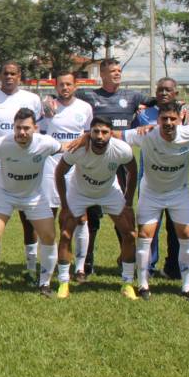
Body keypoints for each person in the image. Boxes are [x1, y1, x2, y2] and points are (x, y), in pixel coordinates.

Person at [121, 102, 189, 299]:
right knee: (145, 234)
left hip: (178, 193)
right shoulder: (146, 134)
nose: (168, 122)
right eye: (164, 119)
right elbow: (114, 134)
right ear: (157, 121)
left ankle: (187, 287)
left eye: (172, 119)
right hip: (151, 193)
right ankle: (143, 285)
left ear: (180, 119)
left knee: (187, 233)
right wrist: (86, 137)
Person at [75, 58, 145, 276]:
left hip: (122, 161)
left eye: (118, 70)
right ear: (102, 75)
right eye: (112, 71)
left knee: (123, 211)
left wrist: (183, 107)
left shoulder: (132, 97)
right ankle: (87, 262)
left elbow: (158, 102)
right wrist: (49, 100)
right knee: (92, 214)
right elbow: (64, 97)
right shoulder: (88, 96)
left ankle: (126, 260)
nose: (117, 74)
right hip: (97, 160)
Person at [0, 108, 61, 297]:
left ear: (36, 128)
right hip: (4, 194)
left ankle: (45, 283)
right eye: (18, 128)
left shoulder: (46, 143)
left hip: (34, 196)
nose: (22, 133)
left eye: (26, 128)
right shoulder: (2, 144)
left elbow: (66, 148)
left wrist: (86, 139)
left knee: (49, 236)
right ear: (13, 128)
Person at [55, 117, 137, 299]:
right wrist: (65, 204)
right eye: (96, 132)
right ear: (89, 133)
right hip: (79, 192)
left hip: (109, 192)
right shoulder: (78, 148)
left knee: (130, 234)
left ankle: (128, 283)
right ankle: (63, 283)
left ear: (111, 134)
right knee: (66, 234)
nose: (100, 136)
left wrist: (129, 202)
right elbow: (59, 172)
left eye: (105, 132)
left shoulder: (121, 149)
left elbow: (133, 170)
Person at [0, 61, 44, 284]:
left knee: (28, 218)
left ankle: (31, 266)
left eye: (13, 73)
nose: (8, 77)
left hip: (26, 165)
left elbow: (39, 130)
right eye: (5, 73)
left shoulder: (32, 99)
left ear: (20, 76)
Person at [132, 78, 189, 280]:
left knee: (176, 225)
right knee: (149, 223)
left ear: (175, 93)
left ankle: (174, 265)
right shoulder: (144, 113)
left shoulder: (184, 113)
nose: (163, 93)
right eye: (160, 90)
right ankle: (148, 265)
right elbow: (133, 133)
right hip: (148, 173)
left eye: (168, 90)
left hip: (175, 176)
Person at [40, 70, 93, 283]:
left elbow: (89, 134)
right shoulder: (47, 108)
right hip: (51, 165)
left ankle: (79, 267)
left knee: (80, 216)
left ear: (75, 86)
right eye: (61, 84)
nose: (65, 88)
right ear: (55, 87)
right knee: (48, 215)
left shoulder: (85, 108)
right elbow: (40, 135)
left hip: (77, 167)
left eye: (69, 84)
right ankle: (49, 264)